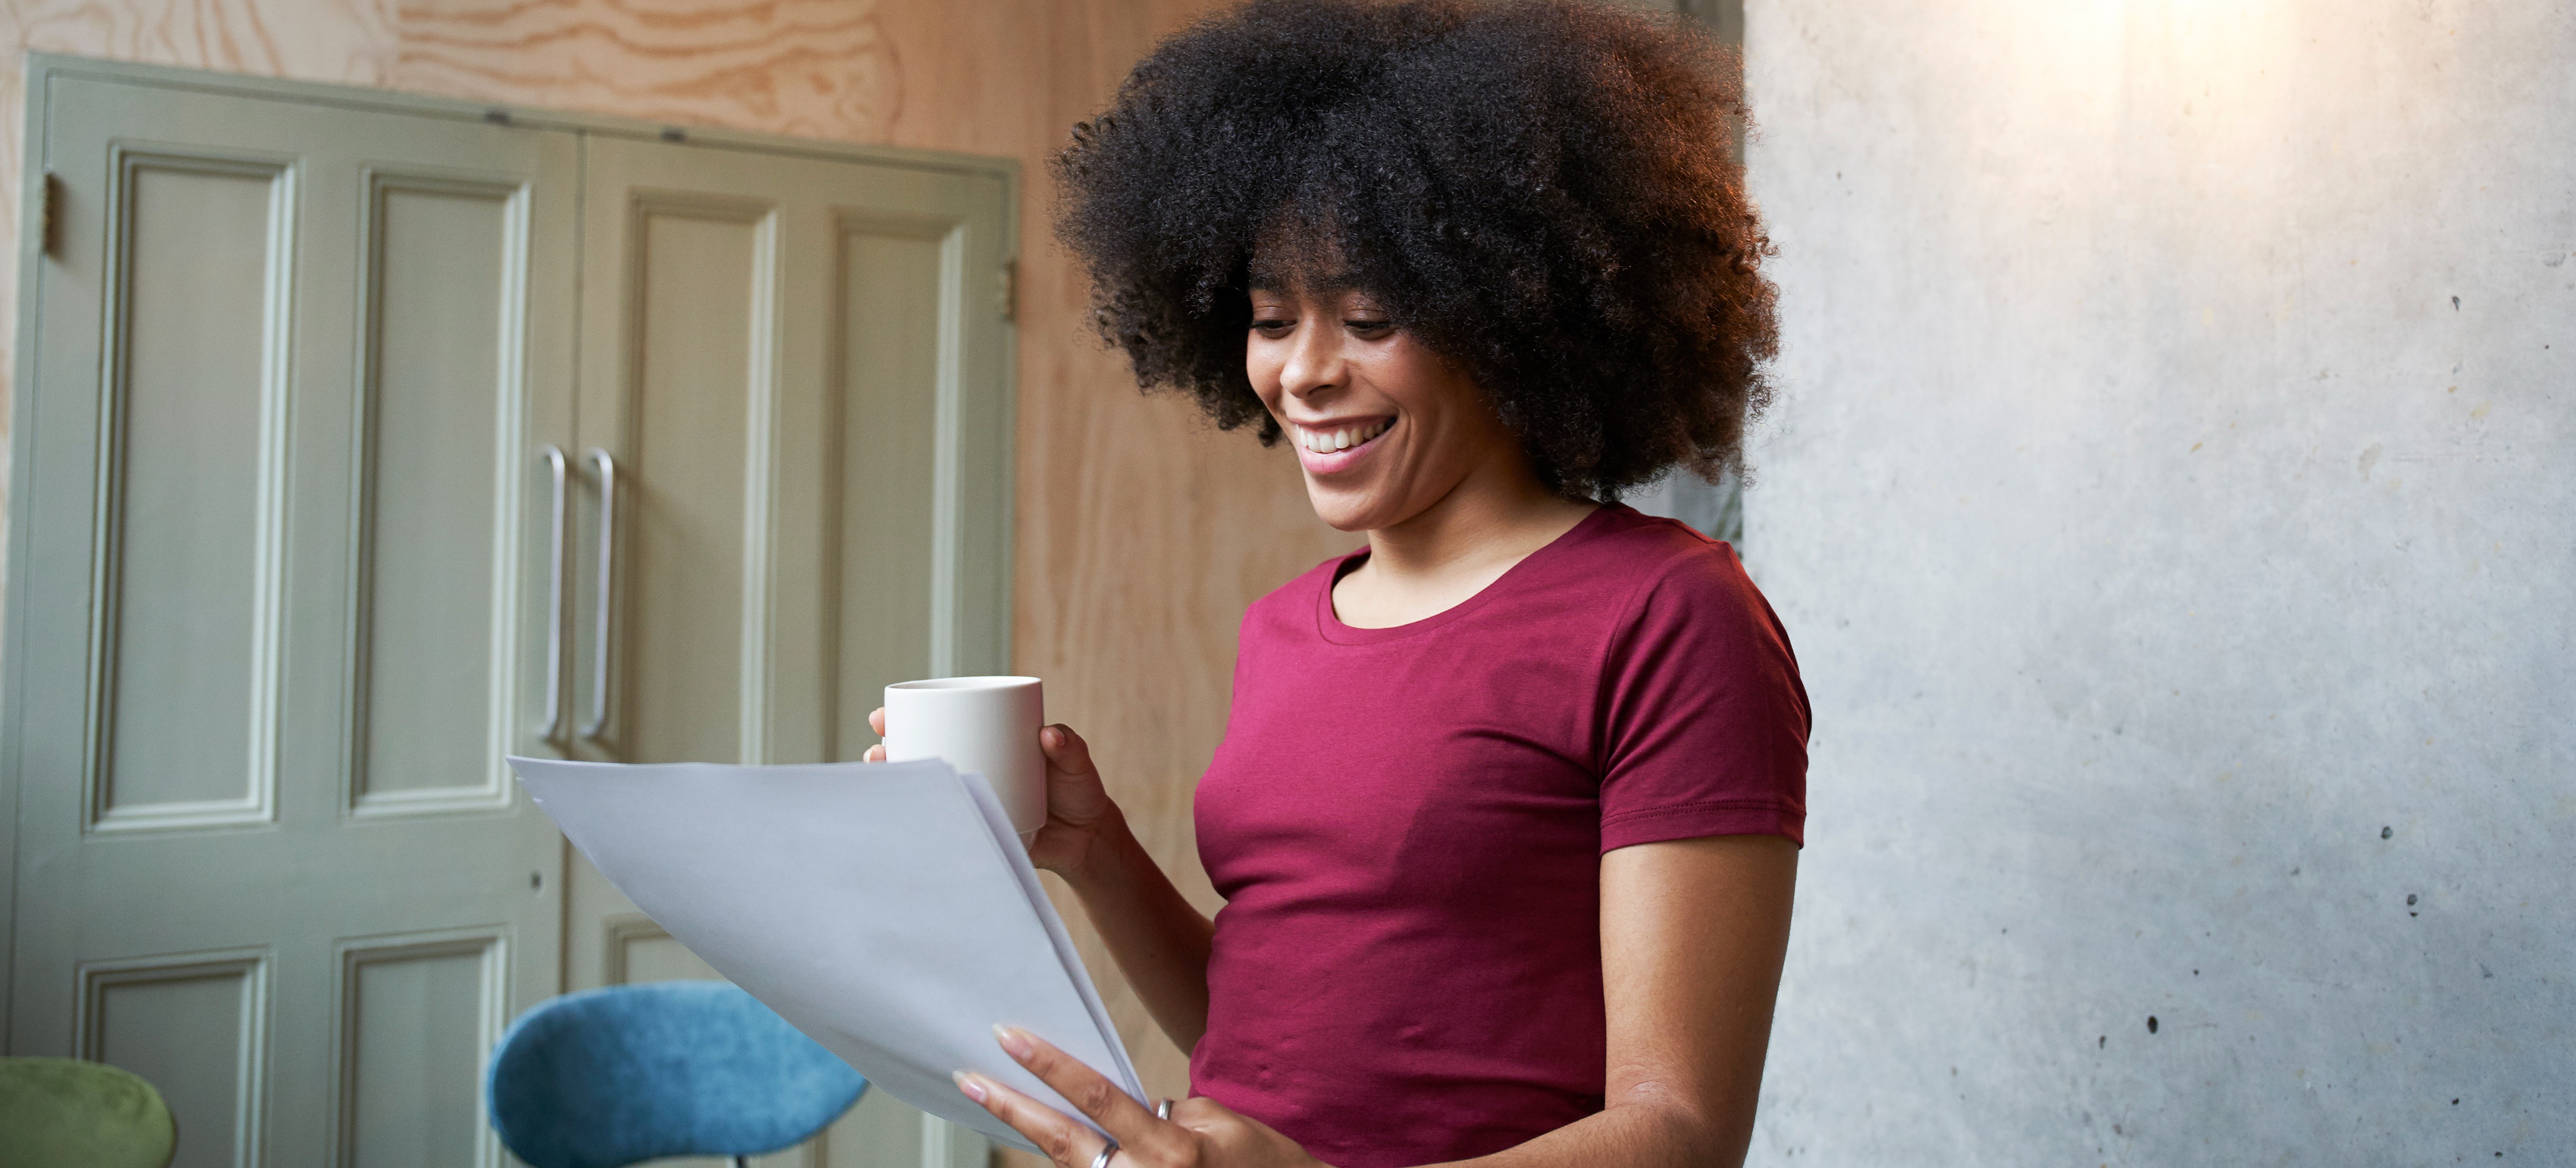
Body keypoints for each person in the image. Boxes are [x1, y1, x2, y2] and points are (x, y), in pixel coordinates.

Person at [870, 2, 1807, 1164]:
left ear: (1513, 317)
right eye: (1270, 318)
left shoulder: (1670, 616)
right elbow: (1263, 1030)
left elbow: (1679, 1132)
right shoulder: (1284, 625)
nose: (1303, 371)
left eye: (1367, 315)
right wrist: (1093, 849)